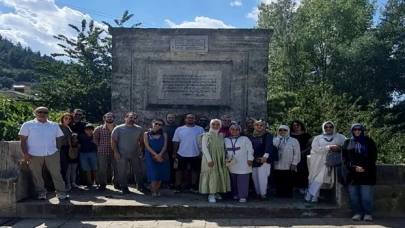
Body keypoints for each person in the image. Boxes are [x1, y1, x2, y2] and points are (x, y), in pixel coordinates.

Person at [18, 106, 68, 200]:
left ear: (48, 114)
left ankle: (61, 192)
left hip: (52, 153)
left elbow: (59, 138)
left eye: (45, 112)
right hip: (33, 154)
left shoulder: (54, 125)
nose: (42, 114)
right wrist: (25, 153)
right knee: (36, 174)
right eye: (40, 112)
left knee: (56, 173)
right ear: (35, 113)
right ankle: (41, 193)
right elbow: (23, 140)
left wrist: (57, 149)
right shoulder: (27, 125)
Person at [342, 123, 377, 221]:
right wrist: (354, 168)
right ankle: (357, 212)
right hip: (352, 174)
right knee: (354, 196)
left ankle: (367, 213)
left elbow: (373, 157)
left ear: (362, 130)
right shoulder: (347, 142)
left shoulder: (369, 142)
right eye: (355, 129)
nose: (357, 131)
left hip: (367, 173)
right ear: (352, 131)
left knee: (366, 196)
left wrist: (363, 168)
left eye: (359, 129)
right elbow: (344, 159)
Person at [306, 121, 346, 203]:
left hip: (330, 161)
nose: (328, 129)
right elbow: (315, 149)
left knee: (320, 177)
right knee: (314, 177)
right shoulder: (318, 138)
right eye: (326, 127)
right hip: (318, 160)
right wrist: (329, 147)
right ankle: (314, 196)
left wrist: (339, 148)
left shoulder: (340, 137)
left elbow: (347, 145)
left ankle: (310, 193)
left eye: (330, 127)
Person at [111, 112, 145, 194]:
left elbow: (141, 141)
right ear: (125, 118)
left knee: (138, 170)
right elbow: (113, 141)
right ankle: (124, 187)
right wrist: (115, 152)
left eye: (134, 118)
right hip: (122, 153)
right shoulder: (118, 128)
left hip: (135, 153)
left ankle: (140, 186)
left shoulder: (139, 129)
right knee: (122, 171)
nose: (132, 119)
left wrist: (141, 150)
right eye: (130, 117)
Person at [199, 119, 231, 203]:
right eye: (213, 124)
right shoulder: (206, 135)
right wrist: (209, 160)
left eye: (217, 124)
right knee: (211, 174)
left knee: (219, 174)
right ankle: (211, 194)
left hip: (219, 157)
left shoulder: (221, 136)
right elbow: (204, 148)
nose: (215, 126)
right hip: (209, 157)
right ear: (210, 125)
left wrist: (225, 157)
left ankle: (216, 191)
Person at [172, 113, 205, 194]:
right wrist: (174, 153)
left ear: (195, 120)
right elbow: (176, 141)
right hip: (181, 153)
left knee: (195, 171)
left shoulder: (200, 129)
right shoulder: (179, 129)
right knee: (179, 171)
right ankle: (178, 186)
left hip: (196, 153)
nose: (190, 119)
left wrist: (201, 152)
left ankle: (193, 186)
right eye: (188, 118)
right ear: (185, 119)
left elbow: (203, 142)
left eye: (192, 118)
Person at [248, 120, 277, 200]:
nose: (259, 126)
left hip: (263, 159)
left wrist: (265, 157)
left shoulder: (267, 135)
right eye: (257, 125)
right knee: (255, 177)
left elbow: (269, 146)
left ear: (264, 126)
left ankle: (263, 194)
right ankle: (257, 193)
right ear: (254, 126)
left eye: (261, 125)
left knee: (262, 177)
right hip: (253, 159)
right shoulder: (250, 136)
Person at [225, 124, 254, 203]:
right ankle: (235, 194)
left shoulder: (245, 139)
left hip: (243, 163)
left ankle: (242, 196)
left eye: (236, 129)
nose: (234, 131)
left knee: (243, 180)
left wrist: (250, 159)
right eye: (232, 129)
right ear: (230, 130)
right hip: (231, 163)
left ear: (240, 130)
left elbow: (250, 150)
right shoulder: (226, 140)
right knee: (233, 180)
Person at [144, 119, 170, 197]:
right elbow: (147, 145)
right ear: (152, 123)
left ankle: (157, 189)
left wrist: (160, 154)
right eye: (156, 124)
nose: (158, 126)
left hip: (162, 155)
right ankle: (153, 191)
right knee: (153, 173)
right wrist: (156, 155)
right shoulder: (146, 134)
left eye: (160, 125)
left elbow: (165, 145)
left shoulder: (164, 134)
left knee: (161, 173)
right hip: (150, 155)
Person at [273, 125, 301, 198]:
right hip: (278, 164)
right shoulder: (275, 140)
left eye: (284, 130)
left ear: (288, 131)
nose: (282, 131)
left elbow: (297, 153)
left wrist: (294, 163)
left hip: (289, 164)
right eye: (280, 130)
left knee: (288, 180)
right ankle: (279, 194)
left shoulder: (293, 140)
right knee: (278, 179)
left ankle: (288, 194)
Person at [94, 112, 119, 190]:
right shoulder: (98, 129)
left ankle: (116, 183)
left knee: (117, 169)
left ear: (113, 118)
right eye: (107, 117)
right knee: (102, 169)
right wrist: (99, 146)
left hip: (115, 152)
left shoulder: (118, 128)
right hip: (102, 152)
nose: (109, 118)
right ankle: (102, 184)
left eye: (111, 117)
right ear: (104, 118)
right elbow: (95, 138)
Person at [290, 120, 312, 194]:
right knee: (291, 170)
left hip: (303, 155)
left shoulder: (306, 135)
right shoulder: (290, 135)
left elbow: (311, 146)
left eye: (298, 125)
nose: (296, 127)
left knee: (302, 170)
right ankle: (293, 186)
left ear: (301, 126)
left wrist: (303, 151)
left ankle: (301, 186)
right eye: (294, 126)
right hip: (291, 155)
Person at [58, 113, 75, 191]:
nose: (67, 120)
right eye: (66, 118)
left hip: (67, 149)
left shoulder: (68, 128)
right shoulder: (59, 127)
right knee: (63, 167)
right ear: (62, 119)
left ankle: (67, 184)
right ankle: (62, 185)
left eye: (69, 119)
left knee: (66, 167)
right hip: (60, 148)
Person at [78, 124, 98, 188]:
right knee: (87, 168)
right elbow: (78, 145)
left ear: (93, 130)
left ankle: (96, 181)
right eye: (87, 130)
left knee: (94, 167)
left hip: (93, 153)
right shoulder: (81, 137)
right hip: (83, 153)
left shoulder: (95, 136)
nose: (88, 131)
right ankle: (89, 181)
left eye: (90, 130)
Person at [162, 113, 179, 187]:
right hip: (164, 150)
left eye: (172, 117)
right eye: (169, 118)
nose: (171, 119)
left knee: (174, 167)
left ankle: (172, 182)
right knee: (164, 166)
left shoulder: (178, 128)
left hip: (175, 150)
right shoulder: (162, 128)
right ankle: (164, 182)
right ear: (166, 119)